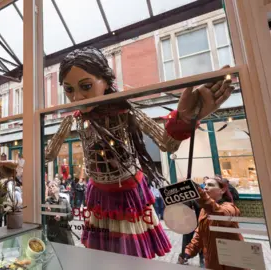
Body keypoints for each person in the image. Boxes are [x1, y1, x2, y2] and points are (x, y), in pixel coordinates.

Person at [44, 47, 233, 258]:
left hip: (128, 192)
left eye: (86, 86)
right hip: (98, 193)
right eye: (69, 90)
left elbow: (167, 144)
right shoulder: (75, 118)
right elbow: (49, 154)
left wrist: (187, 119)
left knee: (130, 253)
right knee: (104, 254)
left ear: (105, 82)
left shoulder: (126, 112)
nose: (77, 97)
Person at [179, 176, 245, 270]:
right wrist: (188, 252)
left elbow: (219, 213)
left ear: (222, 190)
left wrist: (198, 191)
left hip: (232, 261)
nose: (205, 187)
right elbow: (200, 234)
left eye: (210, 185)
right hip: (212, 261)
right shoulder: (203, 211)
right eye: (205, 184)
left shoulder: (230, 208)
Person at [45, 180, 74, 245]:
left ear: (58, 188)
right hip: (53, 234)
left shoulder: (64, 201)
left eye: (53, 186)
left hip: (65, 233)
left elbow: (71, 215)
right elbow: (44, 220)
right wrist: (47, 213)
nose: (51, 188)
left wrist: (61, 217)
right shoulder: (47, 202)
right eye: (49, 187)